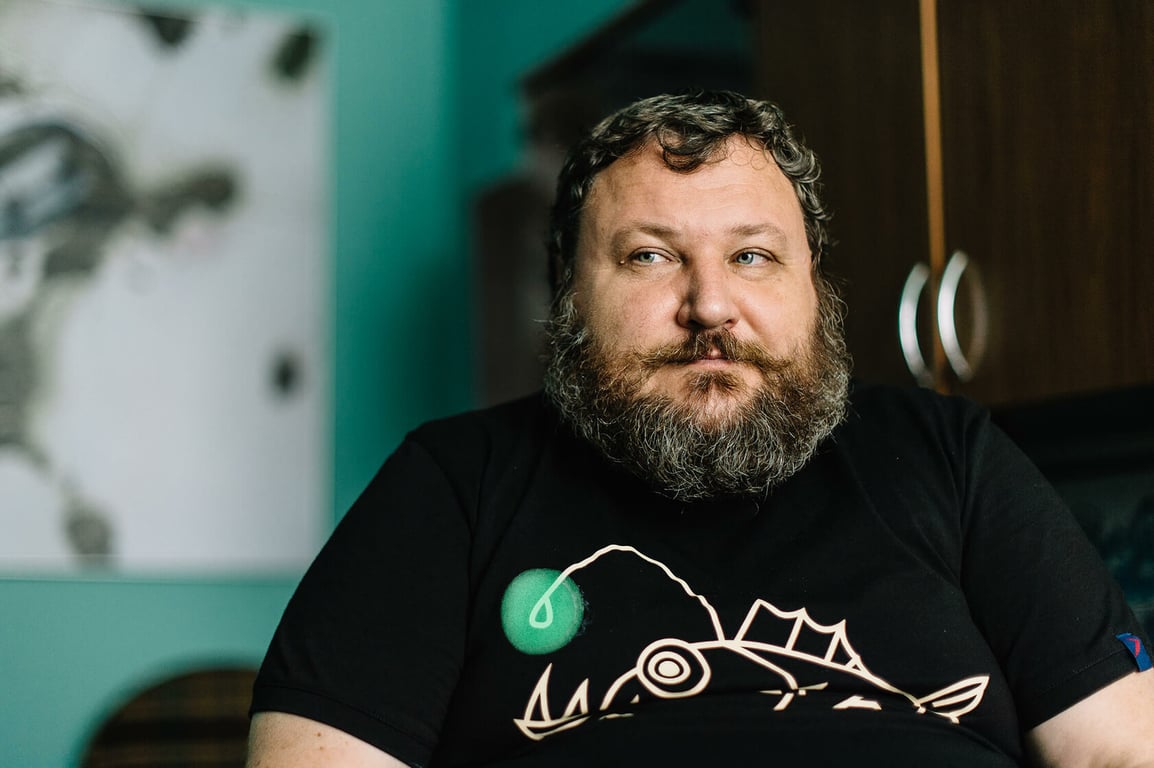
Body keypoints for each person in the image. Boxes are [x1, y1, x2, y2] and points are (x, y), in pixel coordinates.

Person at [246, 91, 1154, 767]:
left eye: (752, 256)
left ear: (811, 284)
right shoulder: (452, 485)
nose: (709, 304)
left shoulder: (950, 456)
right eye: (650, 256)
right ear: (570, 289)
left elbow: (1119, 748)